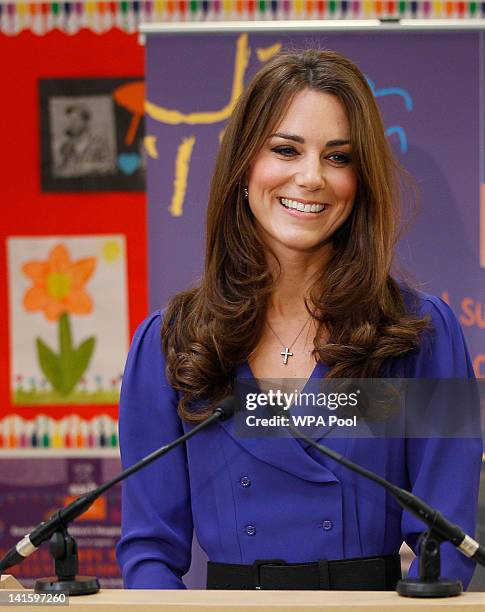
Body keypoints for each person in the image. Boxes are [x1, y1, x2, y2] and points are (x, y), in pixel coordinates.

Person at [116, 49, 482, 590]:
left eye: (338, 158)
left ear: (361, 182)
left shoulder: (422, 334)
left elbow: (446, 543)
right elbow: (148, 552)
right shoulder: (169, 344)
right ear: (243, 167)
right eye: (286, 150)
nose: (311, 177)